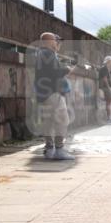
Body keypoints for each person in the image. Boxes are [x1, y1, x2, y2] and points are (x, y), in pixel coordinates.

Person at [34, 32, 78, 160]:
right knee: (63, 120)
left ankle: (49, 150)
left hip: (44, 94)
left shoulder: (42, 53)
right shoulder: (48, 54)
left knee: (48, 122)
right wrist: (67, 70)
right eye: (55, 40)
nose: (57, 42)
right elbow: (54, 73)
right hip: (53, 93)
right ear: (48, 41)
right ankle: (59, 150)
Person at [98, 56, 111, 123]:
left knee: (110, 102)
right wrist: (108, 88)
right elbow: (104, 79)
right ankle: (109, 118)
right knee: (109, 102)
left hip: (106, 87)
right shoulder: (104, 68)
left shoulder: (106, 68)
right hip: (105, 88)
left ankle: (109, 117)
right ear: (108, 61)